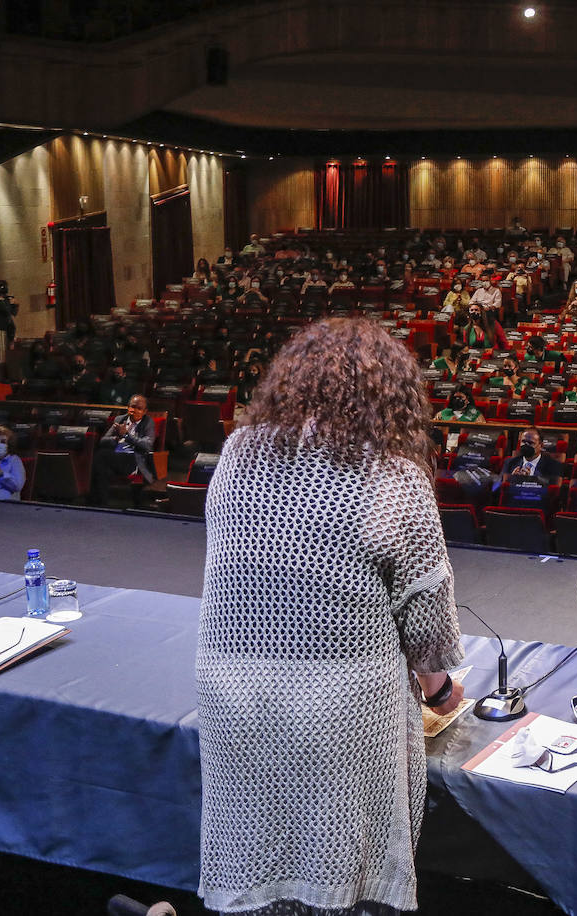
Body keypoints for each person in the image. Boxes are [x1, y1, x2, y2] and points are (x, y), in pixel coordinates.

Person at [196, 318, 463, 915]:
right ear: (391, 396)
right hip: (344, 715)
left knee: (257, 861)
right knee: (345, 882)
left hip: (234, 700)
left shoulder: (238, 453)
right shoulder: (393, 475)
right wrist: (441, 691)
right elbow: (427, 628)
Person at [88, 395, 157, 506]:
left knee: (100, 457)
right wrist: (116, 438)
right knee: (102, 467)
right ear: (128, 407)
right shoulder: (120, 420)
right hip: (116, 458)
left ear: (145, 411)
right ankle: (102, 504)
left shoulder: (148, 422)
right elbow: (103, 441)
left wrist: (126, 435)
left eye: (139, 408)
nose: (135, 410)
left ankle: (97, 502)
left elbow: (147, 445)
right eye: (133, 407)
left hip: (134, 460)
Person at [0, 280, 18, 382]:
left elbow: (13, 313)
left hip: (8, 329)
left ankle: (7, 376)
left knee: (8, 353)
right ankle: (0, 378)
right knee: (1, 355)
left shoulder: (6, 300)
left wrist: (14, 304)